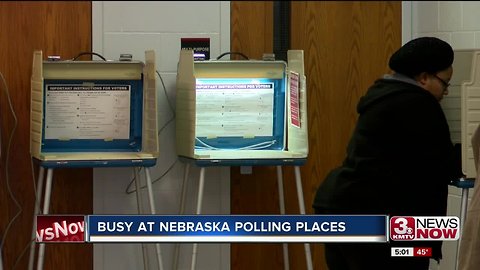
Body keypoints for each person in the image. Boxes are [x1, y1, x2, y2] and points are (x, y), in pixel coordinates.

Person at [313, 37, 463, 270]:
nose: (446, 92)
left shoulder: (383, 93)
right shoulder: (419, 104)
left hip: (341, 207)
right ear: (424, 78)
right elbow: (444, 165)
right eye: (445, 83)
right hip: (378, 218)